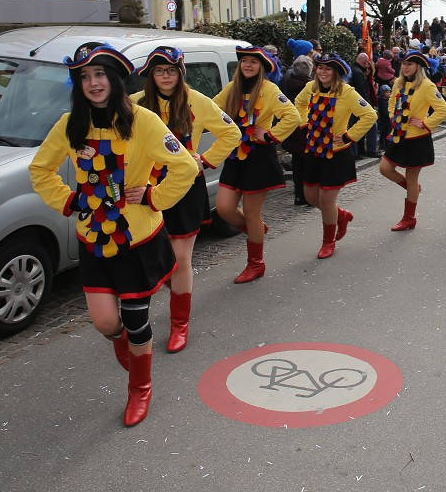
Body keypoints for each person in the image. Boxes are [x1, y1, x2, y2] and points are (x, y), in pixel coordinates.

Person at [29, 42, 199, 427]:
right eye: (85, 77)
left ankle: (140, 387)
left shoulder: (144, 120)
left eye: (100, 74)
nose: (93, 83)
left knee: (137, 320)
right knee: (106, 323)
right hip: (94, 239)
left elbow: (185, 167)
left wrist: (156, 197)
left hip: (137, 240)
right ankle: (131, 348)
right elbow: (41, 170)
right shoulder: (70, 124)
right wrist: (69, 200)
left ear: (115, 79)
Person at [131, 47, 241, 352]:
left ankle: (180, 324)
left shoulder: (198, 101)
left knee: (180, 261)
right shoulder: (136, 104)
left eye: (171, 70)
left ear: (181, 73)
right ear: (150, 75)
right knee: (152, 258)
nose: (165, 76)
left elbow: (231, 133)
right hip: (146, 191)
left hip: (183, 189)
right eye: (159, 71)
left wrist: (203, 160)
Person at [213, 46, 302, 283]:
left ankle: (256, 263)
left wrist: (270, 135)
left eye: (254, 62)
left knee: (252, 212)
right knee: (224, 208)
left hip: (259, 157)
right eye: (245, 62)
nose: (248, 65)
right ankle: (257, 231)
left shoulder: (270, 90)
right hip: (234, 156)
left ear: (262, 67)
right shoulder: (232, 89)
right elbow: (212, 109)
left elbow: (293, 116)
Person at [294, 54, 377, 258]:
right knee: (310, 197)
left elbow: (370, 115)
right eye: (320, 67)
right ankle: (342, 215)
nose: (323, 72)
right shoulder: (310, 88)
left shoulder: (347, 93)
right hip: (314, 151)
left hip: (336, 154)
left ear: (337, 73)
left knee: (326, 200)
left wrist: (349, 135)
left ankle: (328, 242)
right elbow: (298, 103)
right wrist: (304, 124)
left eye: (328, 68)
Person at [380, 50, 446, 231]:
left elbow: (443, 110)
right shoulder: (398, 82)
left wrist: (425, 123)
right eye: (403, 63)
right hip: (398, 136)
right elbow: (391, 104)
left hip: (417, 139)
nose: (405, 67)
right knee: (385, 168)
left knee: (411, 176)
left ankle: (409, 217)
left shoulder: (427, 86)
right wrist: (394, 118)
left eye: (409, 64)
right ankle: (413, 189)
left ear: (418, 66)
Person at [282, 55, 315, 205]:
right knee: (309, 164)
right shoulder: (310, 87)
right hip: (307, 129)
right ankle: (309, 196)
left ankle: (299, 195)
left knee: (297, 163)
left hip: (293, 129)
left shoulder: (286, 82)